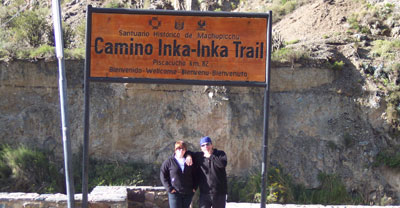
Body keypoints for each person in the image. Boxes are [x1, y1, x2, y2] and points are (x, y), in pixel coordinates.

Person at [189, 136, 228, 208]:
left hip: (219, 193)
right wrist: (188, 156)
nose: (205, 146)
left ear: (212, 145)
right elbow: (187, 152)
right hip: (204, 193)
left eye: (207, 144)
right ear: (201, 148)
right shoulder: (199, 156)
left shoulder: (220, 154)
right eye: (203, 145)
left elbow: (222, 164)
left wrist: (210, 156)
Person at [160, 141, 196, 208]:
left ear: (185, 150)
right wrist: (169, 188)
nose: (181, 150)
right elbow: (163, 175)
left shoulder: (189, 161)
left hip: (188, 193)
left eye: (183, 149)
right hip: (175, 193)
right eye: (179, 149)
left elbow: (195, 174)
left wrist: (194, 187)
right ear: (175, 150)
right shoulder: (169, 162)